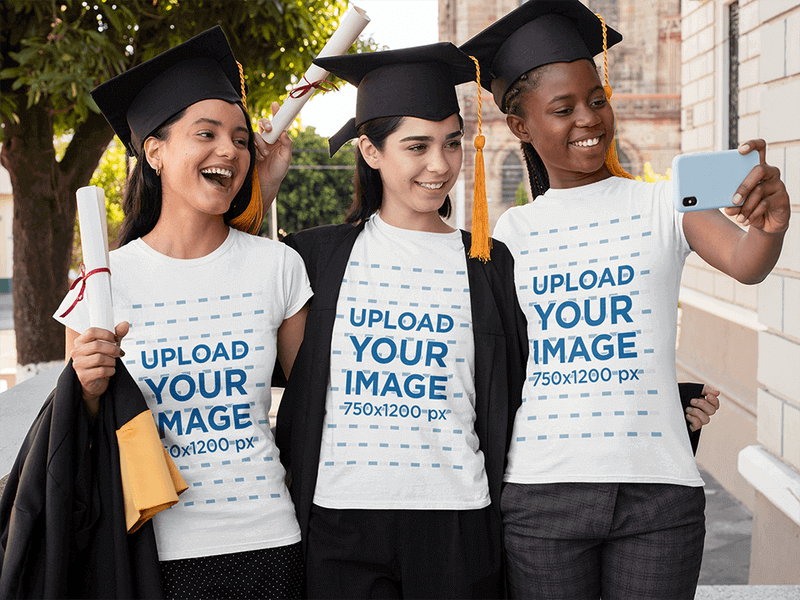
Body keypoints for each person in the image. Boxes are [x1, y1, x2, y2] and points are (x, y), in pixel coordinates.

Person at [461, 1, 790, 598]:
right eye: (562, 109)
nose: (588, 118)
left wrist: (769, 227)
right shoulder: (509, 235)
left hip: (656, 496)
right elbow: (500, 364)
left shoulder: (664, 204)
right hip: (541, 495)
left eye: (596, 99)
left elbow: (746, 264)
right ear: (521, 127)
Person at [54, 26, 311, 600]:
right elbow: (76, 427)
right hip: (150, 549)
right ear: (155, 150)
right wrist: (87, 386)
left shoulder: (278, 267)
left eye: (242, 139)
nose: (230, 150)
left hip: (268, 541)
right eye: (207, 134)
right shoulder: (102, 283)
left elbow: (313, 401)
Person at [275, 42, 528, 599]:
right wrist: (265, 186)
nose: (440, 165)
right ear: (370, 150)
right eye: (417, 146)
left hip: (457, 518)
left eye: (452, 143)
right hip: (342, 516)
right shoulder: (313, 258)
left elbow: (524, 386)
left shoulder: (488, 264)